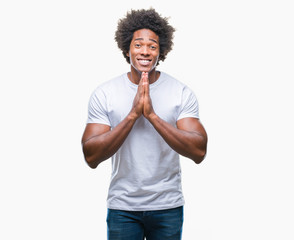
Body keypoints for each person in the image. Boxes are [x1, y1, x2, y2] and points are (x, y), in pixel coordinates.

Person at [81, 8, 208, 240]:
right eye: (138, 44)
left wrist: (152, 116)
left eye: (153, 46)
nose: (145, 52)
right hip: (123, 207)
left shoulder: (180, 92)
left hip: (167, 206)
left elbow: (199, 151)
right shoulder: (105, 93)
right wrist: (132, 116)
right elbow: (91, 157)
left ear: (161, 51)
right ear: (127, 48)